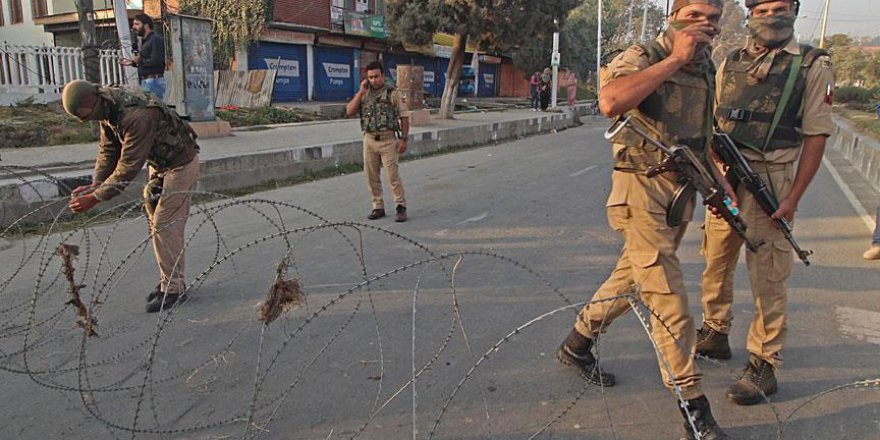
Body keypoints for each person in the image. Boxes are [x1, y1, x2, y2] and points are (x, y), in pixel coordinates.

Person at [555, 1, 730, 439]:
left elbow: (699, 134)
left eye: (713, 16)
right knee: (667, 296)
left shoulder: (705, 69)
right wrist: (674, 59)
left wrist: (717, 179)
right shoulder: (646, 56)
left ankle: (577, 343)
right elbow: (610, 101)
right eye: (695, 14)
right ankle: (694, 411)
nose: (705, 23)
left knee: (633, 276)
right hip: (640, 191)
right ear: (673, 14)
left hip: (680, 191)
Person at [697, 0, 835, 406]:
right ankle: (716, 330)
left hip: (770, 180)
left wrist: (792, 198)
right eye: (762, 9)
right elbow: (713, 122)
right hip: (727, 178)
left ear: (794, 9)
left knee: (768, 275)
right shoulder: (731, 62)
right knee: (716, 258)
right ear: (750, 13)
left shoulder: (811, 64)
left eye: (780, 7)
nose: (771, 15)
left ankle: (764, 362)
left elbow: (816, 136)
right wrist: (715, 171)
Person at [61, 79, 200, 313]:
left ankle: (174, 289)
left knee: (165, 224)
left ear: (93, 101)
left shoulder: (136, 115)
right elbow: (109, 149)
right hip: (160, 163)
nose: (88, 120)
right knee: (157, 221)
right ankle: (169, 279)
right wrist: (96, 183)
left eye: (87, 115)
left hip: (180, 163)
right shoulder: (108, 107)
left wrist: (95, 197)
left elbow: (127, 167)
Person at [345, 61, 410, 222]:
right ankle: (377, 206)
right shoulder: (364, 93)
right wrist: (360, 92)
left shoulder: (393, 93)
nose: (373, 80)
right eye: (370, 77)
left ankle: (400, 206)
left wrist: (404, 139)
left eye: (376, 76)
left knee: (392, 176)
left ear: (383, 76)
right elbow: (349, 111)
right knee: (371, 176)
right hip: (369, 139)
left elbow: (404, 117)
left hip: (388, 140)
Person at [121, 13, 166, 100]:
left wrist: (140, 61)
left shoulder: (155, 39)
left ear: (146, 26)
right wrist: (132, 62)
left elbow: (156, 60)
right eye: (133, 24)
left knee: (152, 110)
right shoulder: (143, 42)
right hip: (145, 81)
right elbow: (144, 60)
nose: (134, 27)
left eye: (137, 24)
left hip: (153, 81)